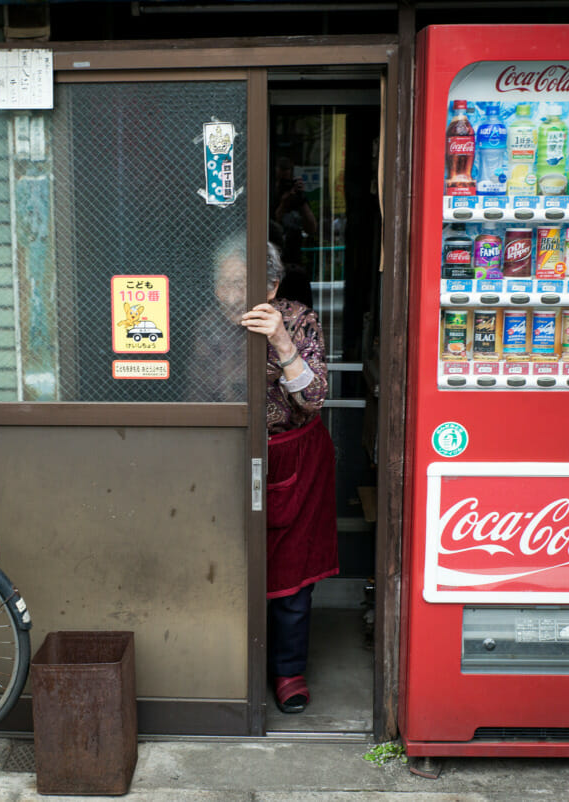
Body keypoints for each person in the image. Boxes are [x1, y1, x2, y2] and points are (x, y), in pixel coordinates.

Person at [240, 242, 338, 714]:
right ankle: (230, 667)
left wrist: (282, 343)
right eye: (223, 281)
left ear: (272, 286)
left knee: (292, 574)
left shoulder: (298, 318)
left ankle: (287, 671)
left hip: (294, 457)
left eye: (241, 282)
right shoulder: (208, 320)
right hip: (228, 455)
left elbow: (315, 396)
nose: (229, 293)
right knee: (228, 564)